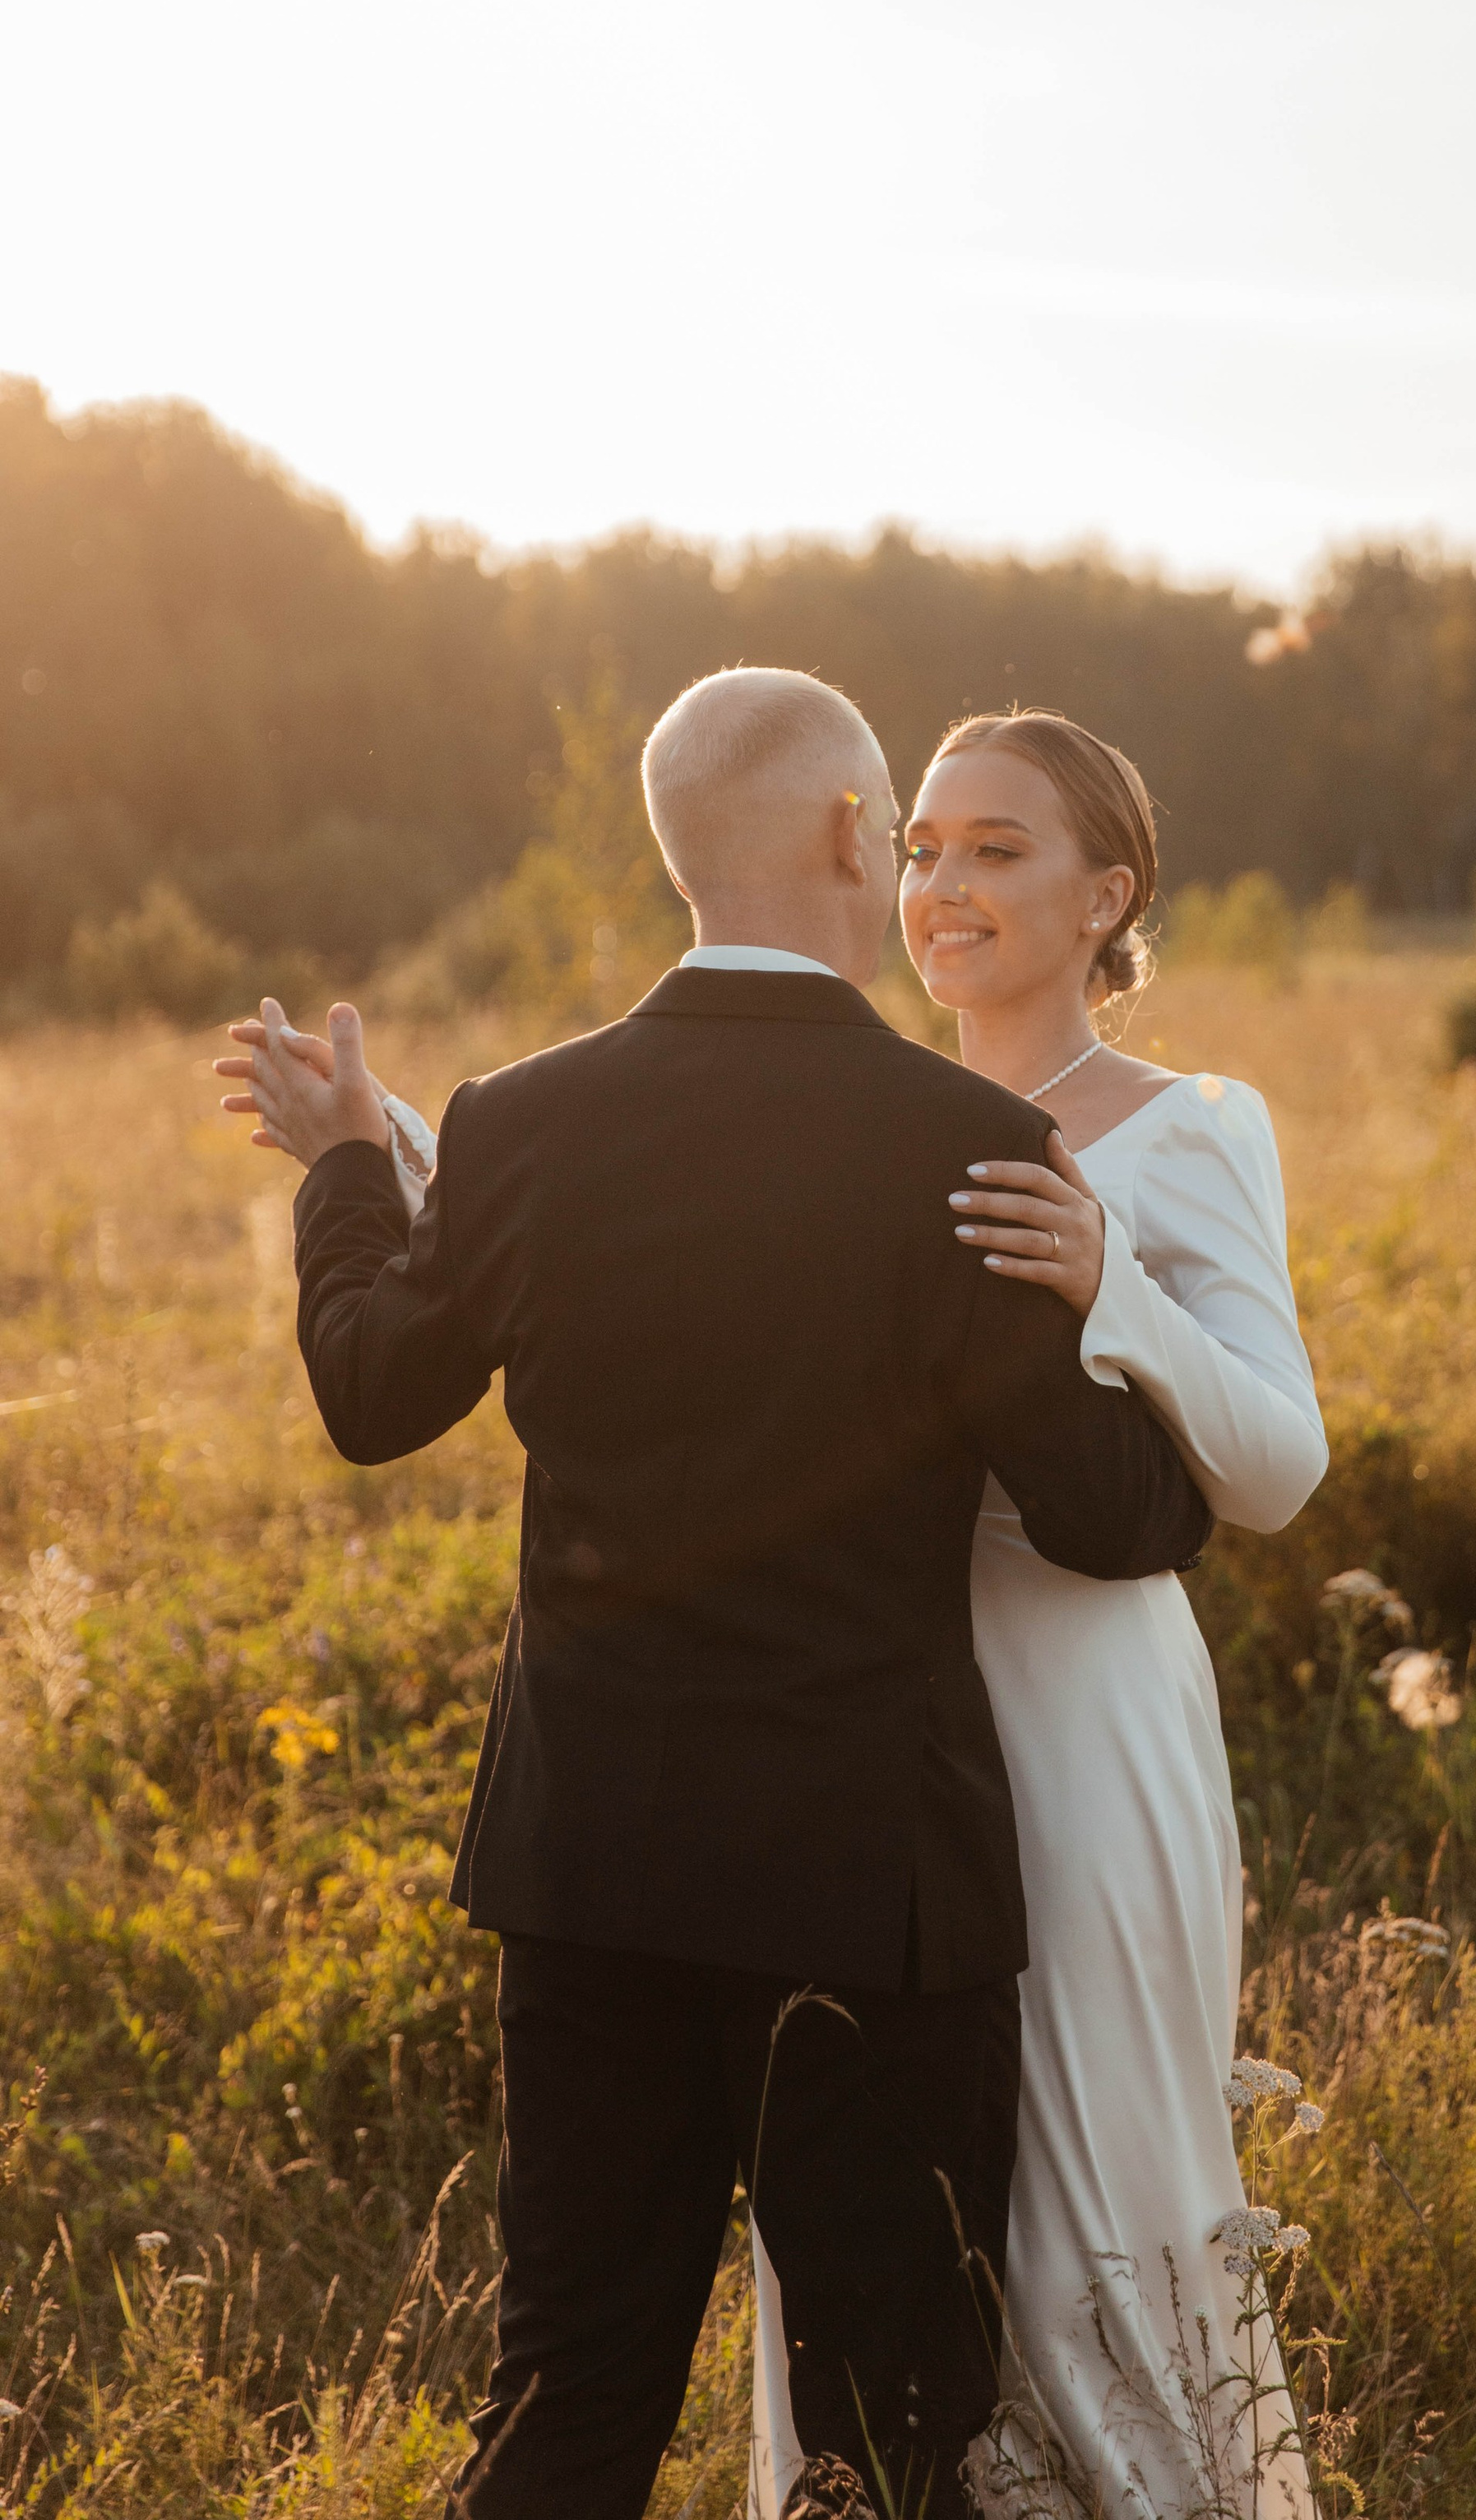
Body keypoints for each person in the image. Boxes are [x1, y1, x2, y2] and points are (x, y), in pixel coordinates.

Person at [216, 669, 1212, 2520]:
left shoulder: (523, 1120)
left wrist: (354, 1168)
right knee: (883, 2439)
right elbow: (1117, 1518)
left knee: (570, 2400)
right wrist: (1119, 1305)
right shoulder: (965, 1147)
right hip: (871, 1899)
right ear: (852, 834)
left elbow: (369, 1392)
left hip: (589, 1868)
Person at [752, 709, 1330, 2520]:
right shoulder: (845, 1113)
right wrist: (387, 1154)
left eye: (996, 850)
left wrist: (1114, 1288)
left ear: (1106, 895)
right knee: (852, 2172)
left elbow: (1277, 1463)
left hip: (1082, 1709)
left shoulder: (1187, 1131)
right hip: (868, 1713)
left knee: (1083, 2167)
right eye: (921, 846)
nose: (942, 886)